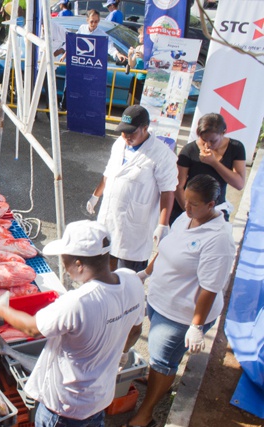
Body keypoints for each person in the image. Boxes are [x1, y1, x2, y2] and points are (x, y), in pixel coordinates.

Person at [0, 220, 144, 426]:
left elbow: (31, 328)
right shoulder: (132, 280)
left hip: (64, 409)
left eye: (65, 262)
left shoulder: (79, 302)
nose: (64, 268)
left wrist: (2, 309)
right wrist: (122, 351)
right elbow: (136, 330)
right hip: (100, 399)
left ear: (79, 265)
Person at [126, 175, 236, 427]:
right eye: (185, 201)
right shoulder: (187, 217)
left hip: (182, 314)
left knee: (164, 360)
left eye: (194, 204)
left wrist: (196, 326)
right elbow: (165, 249)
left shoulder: (218, 240)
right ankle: (158, 378)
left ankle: (146, 414)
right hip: (160, 300)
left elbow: (209, 288)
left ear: (211, 204)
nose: (186, 208)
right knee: (159, 356)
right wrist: (145, 274)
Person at [86, 105, 178, 272]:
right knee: (104, 271)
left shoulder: (162, 155)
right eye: (123, 132)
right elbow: (109, 173)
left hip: (135, 229)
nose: (126, 136)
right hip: (109, 218)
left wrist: (163, 224)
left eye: (132, 133)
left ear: (145, 128)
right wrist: (95, 196)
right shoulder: (119, 144)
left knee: (127, 278)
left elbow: (168, 191)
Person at [171, 113, 246, 224]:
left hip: (216, 207)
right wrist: (189, 212)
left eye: (213, 141)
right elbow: (178, 186)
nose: (207, 145)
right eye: (203, 140)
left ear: (223, 133)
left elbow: (239, 184)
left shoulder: (236, 148)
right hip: (187, 208)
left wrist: (214, 163)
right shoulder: (189, 150)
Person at [127, 25, 145, 103]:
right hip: (136, 79)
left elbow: (154, 66)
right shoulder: (138, 48)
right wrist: (129, 55)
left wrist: (143, 58)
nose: (138, 36)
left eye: (140, 34)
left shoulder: (152, 49)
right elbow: (132, 65)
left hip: (145, 81)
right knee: (132, 103)